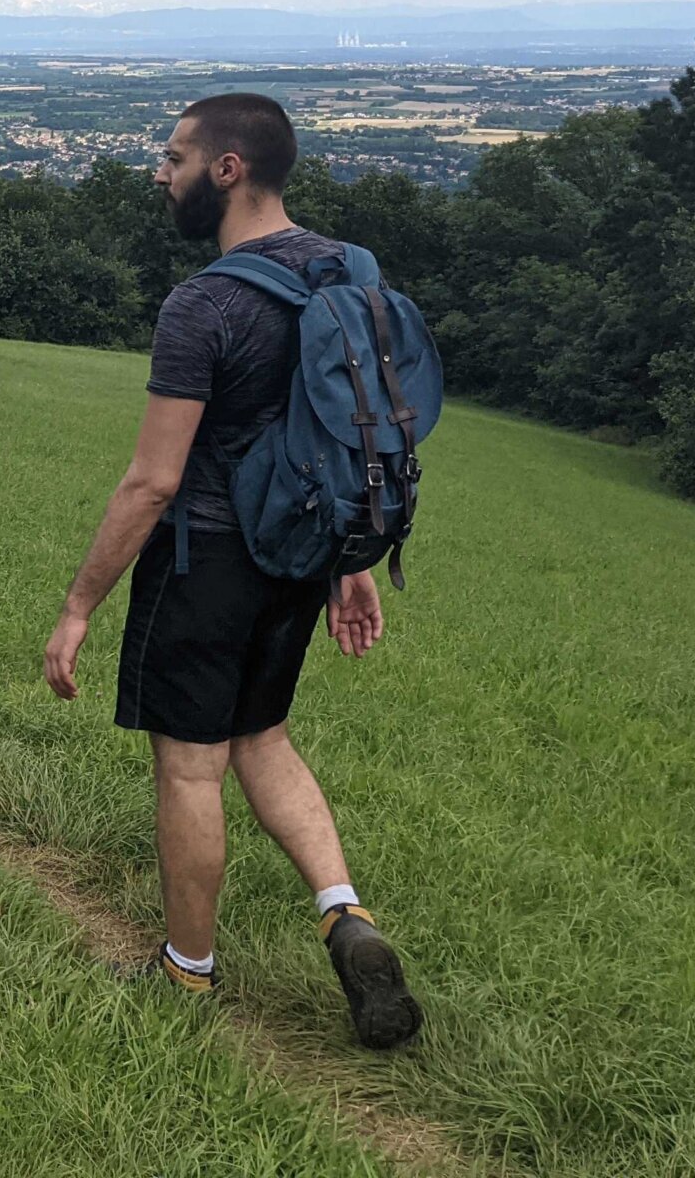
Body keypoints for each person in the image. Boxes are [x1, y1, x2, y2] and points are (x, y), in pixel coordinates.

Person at [41, 93, 423, 1049]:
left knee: (192, 765)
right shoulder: (347, 270)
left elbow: (151, 481)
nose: (159, 175)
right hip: (299, 559)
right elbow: (350, 429)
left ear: (227, 170)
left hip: (205, 558)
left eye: (173, 159)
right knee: (264, 736)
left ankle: (187, 972)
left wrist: (80, 604)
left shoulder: (206, 303)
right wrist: (348, 562)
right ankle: (346, 914)